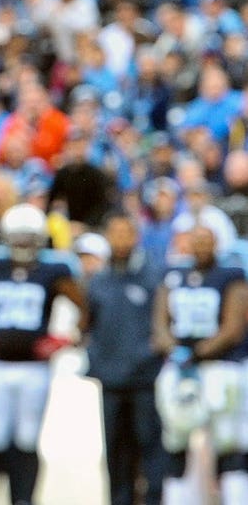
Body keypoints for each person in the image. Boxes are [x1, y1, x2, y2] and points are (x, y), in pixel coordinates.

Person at [0, 204, 88, 505]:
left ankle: (23, 498)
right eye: (18, 238)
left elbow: (86, 308)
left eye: (29, 238)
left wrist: (65, 340)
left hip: (34, 369)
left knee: (27, 441)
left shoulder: (53, 271)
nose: (23, 245)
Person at [151, 226, 248, 504]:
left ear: (217, 243)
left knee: (229, 442)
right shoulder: (174, 275)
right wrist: (175, 350)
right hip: (181, 369)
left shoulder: (231, 275)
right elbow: (160, 322)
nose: (202, 247)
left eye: (207, 241)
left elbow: (233, 326)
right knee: (176, 440)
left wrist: (198, 351)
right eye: (197, 241)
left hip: (220, 367)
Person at [82, 213, 164, 505]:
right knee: (116, 451)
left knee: (149, 447)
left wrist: (151, 356)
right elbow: (87, 325)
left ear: (136, 236)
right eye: (113, 232)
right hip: (110, 380)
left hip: (145, 379)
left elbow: (163, 326)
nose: (120, 239)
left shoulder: (153, 276)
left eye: (125, 232)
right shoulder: (98, 281)